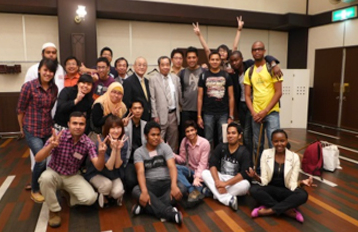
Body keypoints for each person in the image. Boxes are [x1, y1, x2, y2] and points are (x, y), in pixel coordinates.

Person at [36, 111, 106, 228]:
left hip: (72, 176)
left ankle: (68, 194)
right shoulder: (58, 137)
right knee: (45, 178)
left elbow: (98, 166)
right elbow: (38, 158)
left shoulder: (88, 143)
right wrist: (51, 146)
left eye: (81, 124)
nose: (78, 127)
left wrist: (102, 154)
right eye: (74, 123)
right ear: (68, 124)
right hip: (55, 173)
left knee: (91, 198)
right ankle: (54, 211)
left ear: (85, 126)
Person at [17, 58, 58, 203]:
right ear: (39, 70)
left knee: (49, 159)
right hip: (31, 129)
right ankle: (35, 190)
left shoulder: (54, 89)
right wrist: (22, 128)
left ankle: (45, 184)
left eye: (51, 71)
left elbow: (50, 108)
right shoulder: (28, 86)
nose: (48, 73)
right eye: (45, 70)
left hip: (47, 129)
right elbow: (20, 109)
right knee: (40, 160)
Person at [247, 129, 311, 223]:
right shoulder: (266, 154)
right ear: (272, 142)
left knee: (303, 195)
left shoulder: (294, 157)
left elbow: (291, 184)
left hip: (286, 190)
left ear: (287, 141)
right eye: (276, 141)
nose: (279, 144)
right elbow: (264, 180)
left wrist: (301, 183)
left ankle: (267, 210)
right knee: (253, 190)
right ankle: (287, 211)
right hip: (270, 189)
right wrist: (256, 177)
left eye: (282, 141)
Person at [228, 51, 282, 156]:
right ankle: (250, 161)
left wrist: (274, 64)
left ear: (242, 59)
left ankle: (273, 165)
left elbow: (266, 57)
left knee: (270, 138)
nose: (234, 63)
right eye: (232, 61)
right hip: (243, 106)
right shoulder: (233, 74)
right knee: (247, 135)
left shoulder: (250, 66)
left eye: (236, 60)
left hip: (256, 105)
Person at [132, 121, 184, 225]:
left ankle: (146, 208)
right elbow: (140, 172)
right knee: (136, 190)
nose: (156, 137)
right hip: (150, 184)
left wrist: (173, 185)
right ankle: (170, 213)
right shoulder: (139, 152)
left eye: (158, 134)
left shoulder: (165, 147)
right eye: (153, 135)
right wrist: (145, 191)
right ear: (146, 136)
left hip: (166, 183)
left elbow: (172, 167)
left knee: (181, 188)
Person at [244, 41, 283, 166]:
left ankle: (276, 171)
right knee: (257, 145)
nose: (257, 52)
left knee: (275, 144)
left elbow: (279, 92)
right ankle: (259, 171)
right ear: (252, 52)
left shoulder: (272, 69)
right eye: (254, 49)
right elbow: (247, 95)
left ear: (264, 51)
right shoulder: (249, 72)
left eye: (260, 49)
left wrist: (265, 111)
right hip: (256, 115)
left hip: (271, 113)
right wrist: (254, 113)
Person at [201, 123, 251, 211]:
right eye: (228, 133)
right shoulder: (221, 147)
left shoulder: (244, 152)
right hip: (221, 178)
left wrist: (225, 184)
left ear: (239, 136)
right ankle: (228, 200)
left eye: (233, 133)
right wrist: (217, 181)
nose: (230, 135)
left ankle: (214, 193)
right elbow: (212, 164)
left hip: (235, 181)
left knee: (246, 185)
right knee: (204, 173)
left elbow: (243, 174)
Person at [84, 115, 128, 207]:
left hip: (113, 173)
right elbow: (109, 166)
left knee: (117, 192)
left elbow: (117, 166)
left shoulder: (123, 141)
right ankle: (98, 191)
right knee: (106, 186)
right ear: (107, 129)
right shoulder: (102, 142)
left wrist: (118, 149)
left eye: (118, 127)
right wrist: (114, 150)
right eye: (112, 128)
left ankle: (108, 194)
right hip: (98, 173)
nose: (116, 131)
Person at [197, 52, 234, 145]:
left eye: (217, 59)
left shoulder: (226, 76)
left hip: (223, 113)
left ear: (220, 61)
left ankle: (222, 159)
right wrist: (199, 116)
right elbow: (200, 97)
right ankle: (208, 159)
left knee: (224, 139)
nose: (215, 61)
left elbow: (231, 97)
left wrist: (231, 116)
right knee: (208, 139)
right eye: (212, 59)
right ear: (209, 61)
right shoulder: (203, 76)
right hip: (208, 113)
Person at [149, 56, 182, 152]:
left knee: (173, 141)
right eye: (163, 65)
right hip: (160, 115)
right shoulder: (153, 79)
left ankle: (172, 161)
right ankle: (158, 161)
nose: (165, 67)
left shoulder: (175, 78)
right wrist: (154, 115)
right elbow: (152, 98)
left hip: (174, 115)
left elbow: (179, 96)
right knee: (157, 140)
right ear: (159, 66)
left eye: (167, 64)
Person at [175, 120, 210, 202]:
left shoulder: (204, 143)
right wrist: (171, 154)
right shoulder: (184, 141)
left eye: (192, 130)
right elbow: (182, 160)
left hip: (201, 173)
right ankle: (191, 189)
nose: (190, 133)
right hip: (190, 171)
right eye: (187, 131)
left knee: (199, 187)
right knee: (175, 168)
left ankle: (202, 190)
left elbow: (203, 164)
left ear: (196, 130)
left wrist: (197, 177)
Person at [178, 46, 205, 137]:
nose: (191, 60)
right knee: (185, 136)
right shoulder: (182, 73)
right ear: (186, 59)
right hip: (186, 110)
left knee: (200, 135)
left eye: (193, 57)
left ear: (197, 58)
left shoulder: (204, 71)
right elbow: (179, 91)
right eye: (189, 58)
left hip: (200, 111)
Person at [124, 99, 147, 192]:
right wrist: (123, 127)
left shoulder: (146, 125)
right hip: (129, 160)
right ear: (130, 110)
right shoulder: (125, 124)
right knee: (131, 181)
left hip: (143, 159)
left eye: (140, 108)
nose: (137, 111)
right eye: (135, 108)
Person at [123, 57, 152, 122]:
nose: (142, 67)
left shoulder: (147, 81)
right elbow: (126, 102)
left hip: (147, 117)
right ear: (134, 66)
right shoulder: (128, 82)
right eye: (139, 65)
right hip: (134, 119)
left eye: (144, 65)